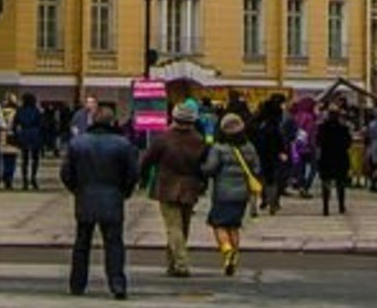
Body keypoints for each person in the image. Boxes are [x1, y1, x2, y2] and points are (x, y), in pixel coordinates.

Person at [58, 97, 138, 300]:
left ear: (93, 120)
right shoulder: (123, 144)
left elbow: (66, 173)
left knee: (82, 243)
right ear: (113, 123)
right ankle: (117, 284)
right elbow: (132, 174)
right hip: (113, 198)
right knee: (114, 244)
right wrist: (124, 191)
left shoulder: (78, 143)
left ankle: (77, 284)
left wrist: (77, 189)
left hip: (85, 197)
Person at [145, 100, 210, 277]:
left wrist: (141, 179)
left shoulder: (163, 138)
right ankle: (172, 263)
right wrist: (203, 184)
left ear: (174, 117)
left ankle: (180, 264)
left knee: (173, 227)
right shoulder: (199, 140)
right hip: (190, 187)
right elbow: (204, 166)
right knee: (183, 227)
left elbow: (147, 159)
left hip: (166, 186)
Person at [201, 111, 260, 277]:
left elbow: (210, 169)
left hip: (223, 192)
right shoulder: (250, 147)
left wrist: (201, 169)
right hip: (242, 194)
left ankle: (227, 251)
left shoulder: (218, 148)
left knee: (218, 224)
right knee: (234, 225)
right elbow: (256, 168)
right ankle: (235, 256)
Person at [314, 102, 353, 215]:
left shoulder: (322, 128)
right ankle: (341, 206)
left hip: (326, 158)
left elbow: (318, 142)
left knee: (325, 183)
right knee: (340, 183)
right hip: (340, 158)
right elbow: (348, 143)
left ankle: (325, 207)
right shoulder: (343, 128)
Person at [13, 91, 50, 191]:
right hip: (35, 135)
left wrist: (16, 135)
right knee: (35, 159)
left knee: (24, 159)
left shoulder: (20, 110)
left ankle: (24, 181)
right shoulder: (37, 111)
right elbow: (43, 124)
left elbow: (15, 123)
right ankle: (33, 178)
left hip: (24, 134)